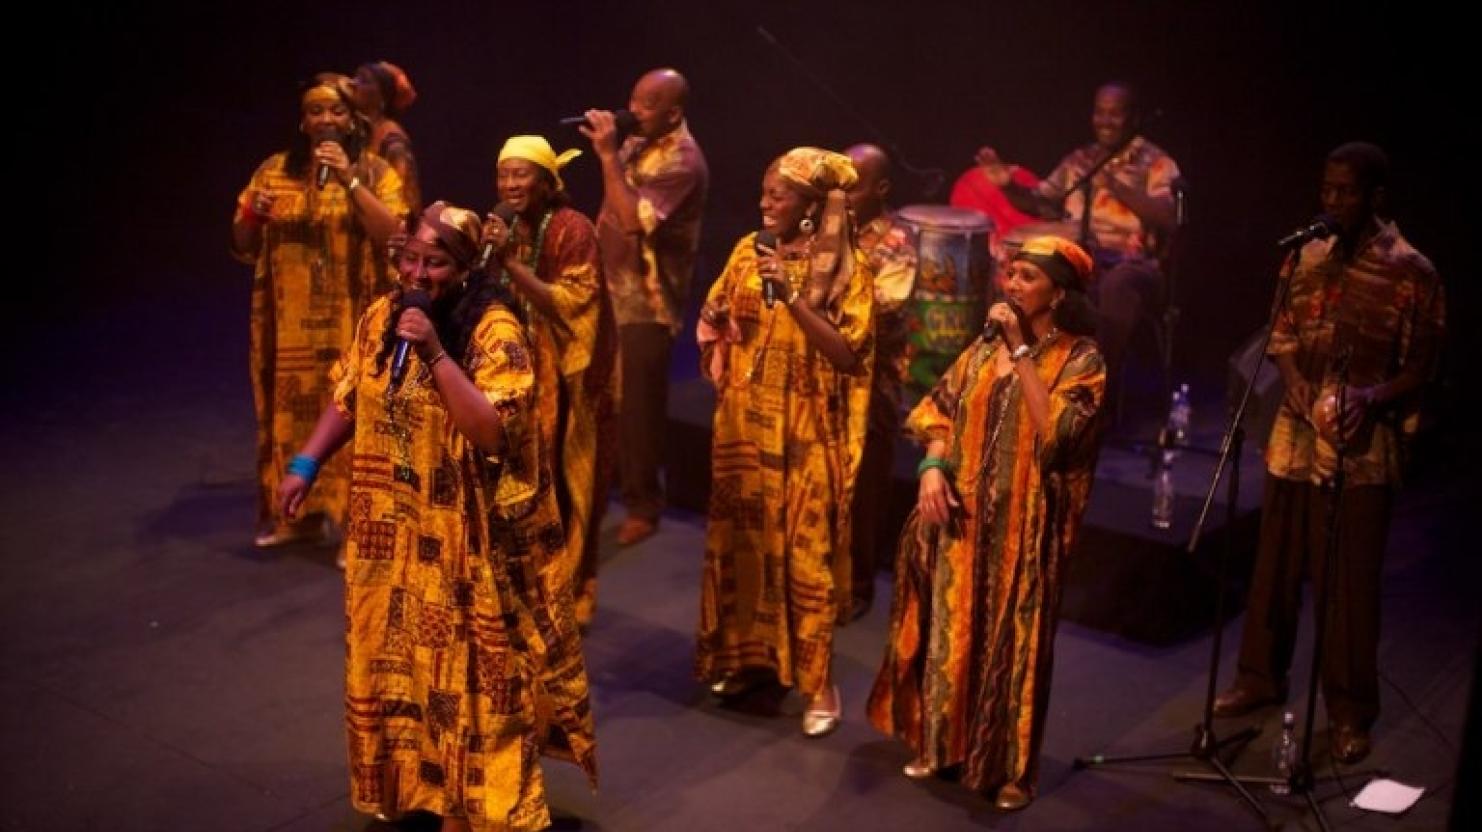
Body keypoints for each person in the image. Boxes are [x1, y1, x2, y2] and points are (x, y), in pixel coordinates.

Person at [275, 201, 596, 831]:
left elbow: (492, 434)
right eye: (411, 259)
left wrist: (435, 356)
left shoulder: (493, 332)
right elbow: (349, 392)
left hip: (464, 538)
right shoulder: (384, 314)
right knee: (398, 659)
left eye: (436, 263)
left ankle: (469, 804)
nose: (418, 274)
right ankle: (417, 786)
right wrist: (306, 464)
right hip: (390, 529)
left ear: (468, 265)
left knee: (470, 672)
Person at [1212, 143, 1445, 766]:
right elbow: (1281, 333)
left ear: (1375, 197)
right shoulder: (1305, 254)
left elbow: (1422, 367)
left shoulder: (1411, 270)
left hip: (1360, 445)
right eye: (1328, 189)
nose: (1334, 201)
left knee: (1347, 581)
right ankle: (1259, 678)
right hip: (1295, 432)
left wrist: (1370, 397)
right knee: (1276, 566)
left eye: (1346, 191)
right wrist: (1289, 376)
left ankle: (1348, 712)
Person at [868, 236, 1105, 811]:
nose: (1012, 285)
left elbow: (1059, 435)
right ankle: (941, 745)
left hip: (1026, 526)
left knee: (1014, 647)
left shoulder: (1081, 359)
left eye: (1027, 277)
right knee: (951, 632)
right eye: (1011, 274)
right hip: (961, 517)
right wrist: (930, 467)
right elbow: (937, 410)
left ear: (1059, 291)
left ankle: (1011, 772)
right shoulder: (980, 349)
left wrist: (1022, 351)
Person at [694, 147, 874, 737]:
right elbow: (716, 311)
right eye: (765, 192)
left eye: (779, 195)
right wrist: (721, 322)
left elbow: (848, 354)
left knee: (804, 556)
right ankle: (749, 663)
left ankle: (820, 683)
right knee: (743, 543)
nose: (764, 203)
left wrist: (792, 299)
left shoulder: (846, 267)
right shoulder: (749, 250)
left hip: (807, 428)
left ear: (811, 207)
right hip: (745, 420)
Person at [230, 73, 406, 548]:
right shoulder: (273, 172)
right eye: (316, 111)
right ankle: (298, 516)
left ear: (353, 120)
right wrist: (253, 216)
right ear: (303, 122)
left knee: (355, 415)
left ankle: (358, 525)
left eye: (337, 111)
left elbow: (395, 236)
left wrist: (349, 180)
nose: (326, 119)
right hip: (289, 330)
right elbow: (241, 244)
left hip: (353, 320)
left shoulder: (374, 172)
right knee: (292, 417)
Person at [482, 136, 618, 627]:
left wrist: (509, 264)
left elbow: (572, 305)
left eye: (522, 175)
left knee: (566, 485)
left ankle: (572, 591)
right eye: (505, 175)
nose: (511, 185)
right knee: (518, 482)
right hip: (521, 375)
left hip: (570, 380)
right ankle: (522, 586)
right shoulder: (503, 225)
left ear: (546, 180)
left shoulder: (572, 228)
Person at [976, 82, 1179, 397]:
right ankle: (1013, 377)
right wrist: (1009, 187)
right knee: (1017, 268)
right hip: (1082, 257)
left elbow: (1169, 217)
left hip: (1133, 264)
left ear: (1133, 118)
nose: (1105, 121)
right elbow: (1042, 202)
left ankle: (1096, 394)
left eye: (1115, 114)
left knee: (1117, 285)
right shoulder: (1082, 161)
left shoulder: (1155, 162)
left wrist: (1116, 185)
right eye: (1100, 113)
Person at [581, 67, 710, 547]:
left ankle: (642, 505)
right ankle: (599, 487)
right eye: (634, 100)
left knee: (638, 410)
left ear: (673, 112)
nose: (634, 111)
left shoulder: (684, 161)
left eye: (647, 104)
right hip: (609, 285)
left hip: (647, 299)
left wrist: (609, 155)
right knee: (598, 394)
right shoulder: (638, 139)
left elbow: (634, 223)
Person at [842, 143, 918, 621]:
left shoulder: (897, 244)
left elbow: (877, 316)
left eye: (856, 182)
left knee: (864, 490)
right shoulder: (826, 228)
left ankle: (856, 585)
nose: (844, 191)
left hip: (873, 388)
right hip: (823, 382)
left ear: (882, 188)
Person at [351, 60, 422, 214]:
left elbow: (407, 199)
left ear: (382, 97)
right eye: (355, 77)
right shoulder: (358, 132)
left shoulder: (392, 141)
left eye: (364, 81)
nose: (354, 84)